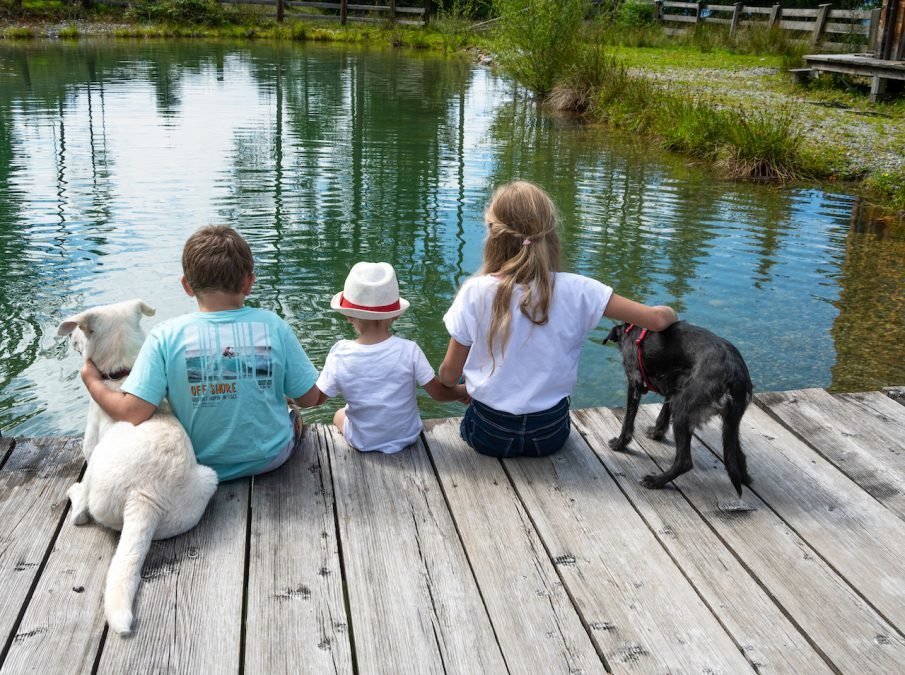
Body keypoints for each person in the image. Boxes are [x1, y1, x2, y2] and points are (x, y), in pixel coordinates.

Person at [438, 181, 677, 458]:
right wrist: (669, 312)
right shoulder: (580, 290)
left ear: (493, 235)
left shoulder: (475, 292)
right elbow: (658, 320)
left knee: (473, 423)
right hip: (549, 433)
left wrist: (460, 389)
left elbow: (447, 374)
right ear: (550, 236)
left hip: (489, 432)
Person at [80, 225, 321, 481]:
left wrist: (93, 382)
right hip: (270, 458)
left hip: (197, 464)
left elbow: (133, 412)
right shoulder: (273, 326)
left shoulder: (165, 336)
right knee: (293, 413)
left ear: (187, 285)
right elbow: (309, 398)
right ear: (249, 282)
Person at [314, 261, 468, 454]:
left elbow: (317, 398)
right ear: (395, 316)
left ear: (349, 316)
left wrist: (288, 395)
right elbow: (439, 394)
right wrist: (467, 390)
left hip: (363, 441)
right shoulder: (409, 350)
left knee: (339, 414)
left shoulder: (340, 354)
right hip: (408, 436)